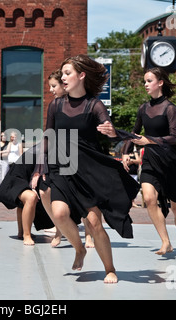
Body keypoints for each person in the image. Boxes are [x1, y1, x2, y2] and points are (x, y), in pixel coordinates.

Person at [32, 55, 140, 283]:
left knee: (93, 222)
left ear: (81, 76)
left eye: (67, 73)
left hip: (88, 171)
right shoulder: (56, 105)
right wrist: (38, 168)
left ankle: (110, 268)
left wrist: (112, 132)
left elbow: (110, 134)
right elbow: (47, 137)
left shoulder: (94, 105)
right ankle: (79, 248)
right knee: (59, 213)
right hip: (61, 167)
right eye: (62, 74)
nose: (63, 77)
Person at [122, 67, 176, 257]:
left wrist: (150, 140)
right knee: (148, 198)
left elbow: (173, 138)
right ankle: (165, 242)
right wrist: (125, 153)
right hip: (150, 161)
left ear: (160, 83)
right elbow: (133, 134)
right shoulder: (143, 108)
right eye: (144, 81)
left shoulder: (170, 108)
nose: (145, 84)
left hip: (170, 161)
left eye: (149, 81)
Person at [0, 144, 55, 246]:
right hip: (12, 184)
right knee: (31, 197)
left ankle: (21, 232)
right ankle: (26, 235)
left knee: (25, 201)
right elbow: (36, 174)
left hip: (19, 182)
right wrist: (33, 188)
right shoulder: (42, 151)